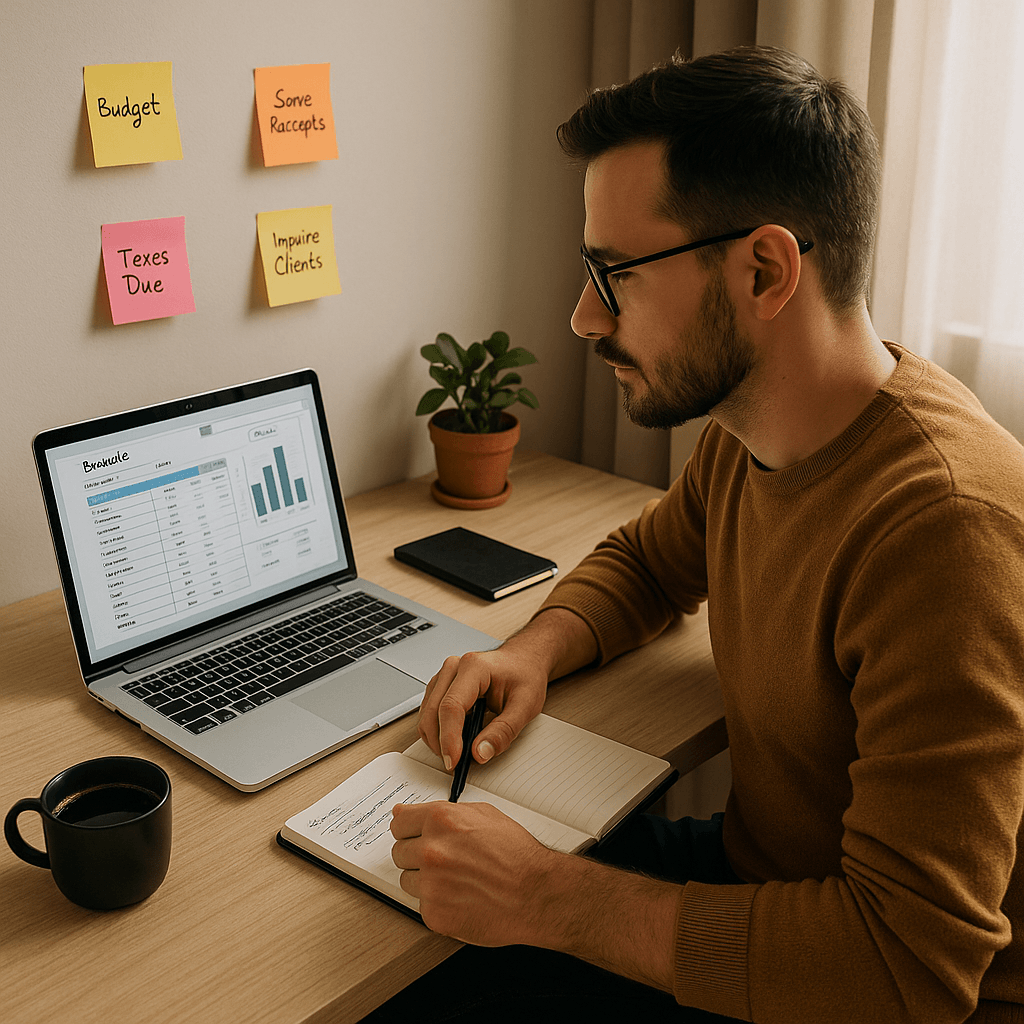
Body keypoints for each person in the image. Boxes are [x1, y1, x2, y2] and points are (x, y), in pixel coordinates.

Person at [366, 46, 1024, 1023]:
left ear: (764, 269)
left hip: (859, 980)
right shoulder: (757, 430)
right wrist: (533, 651)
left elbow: (906, 969)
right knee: (397, 927)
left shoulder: (944, 534)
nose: (584, 317)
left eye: (613, 271)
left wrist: (546, 896)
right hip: (762, 884)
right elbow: (648, 562)